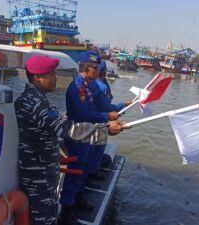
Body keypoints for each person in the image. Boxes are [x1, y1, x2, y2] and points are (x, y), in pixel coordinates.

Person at [14, 55, 124, 225]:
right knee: (42, 218)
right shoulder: (34, 103)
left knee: (48, 212)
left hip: (44, 168)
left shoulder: (38, 99)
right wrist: (106, 129)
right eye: (51, 75)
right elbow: (68, 128)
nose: (55, 78)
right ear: (37, 78)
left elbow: (59, 124)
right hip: (38, 173)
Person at [58, 51, 123, 225]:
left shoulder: (87, 87)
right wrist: (107, 117)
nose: (98, 70)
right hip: (78, 135)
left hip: (86, 134)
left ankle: (77, 199)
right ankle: (66, 212)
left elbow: (92, 110)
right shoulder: (76, 88)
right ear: (86, 68)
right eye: (95, 68)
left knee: (83, 170)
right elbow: (82, 113)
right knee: (75, 172)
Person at [87, 61, 132, 181]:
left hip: (94, 120)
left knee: (92, 148)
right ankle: (92, 172)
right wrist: (122, 105)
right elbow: (106, 107)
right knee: (98, 148)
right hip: (100, 120)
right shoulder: (100, 86)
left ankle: (91, 170)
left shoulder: (93, 84)